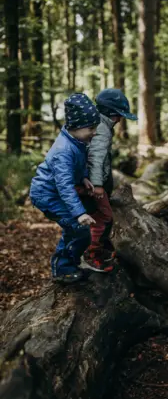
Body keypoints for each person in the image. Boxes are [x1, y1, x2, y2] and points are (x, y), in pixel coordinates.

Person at [30, 93, 100, 284]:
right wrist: (79, 213)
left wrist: (83, 177)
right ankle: (62, 268)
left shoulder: (76, 141)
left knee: (78, 231)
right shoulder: (63, 150)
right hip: (46, 195)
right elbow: (64, 186)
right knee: (78, 228)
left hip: (56, 193)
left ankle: (71, 263)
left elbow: (78, 164)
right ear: (76, 126)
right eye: (91, 128)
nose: (94, 132)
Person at [82, 88, 137, 272]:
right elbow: (95, 159)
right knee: (102, 218)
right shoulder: (101, 128)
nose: (119, 120)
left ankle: (100, 250)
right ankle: (92, 254)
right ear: (108, 112)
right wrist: (98, 185)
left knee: (103, 217)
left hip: (98, 181)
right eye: (117, 115)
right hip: (94, 184)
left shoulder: (101, 125)